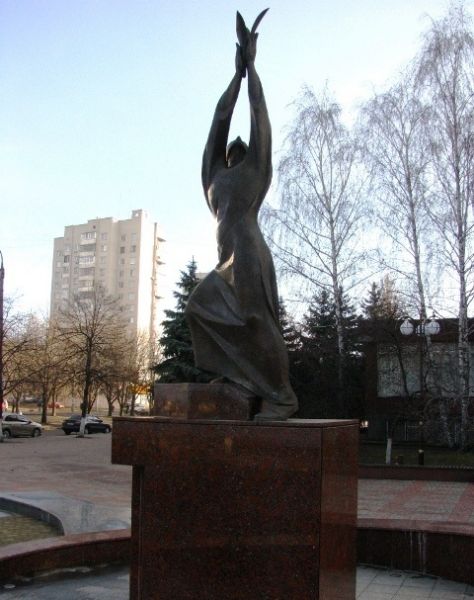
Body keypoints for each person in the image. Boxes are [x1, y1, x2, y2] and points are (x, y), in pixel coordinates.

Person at [185, 12, 298, 421]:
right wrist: (235, 76)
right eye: (230, 149)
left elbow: (259, 115)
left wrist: (252, 69)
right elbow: (219, 120)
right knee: (199, 306)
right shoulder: (213, 177)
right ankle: (237, 373)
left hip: (249, 252)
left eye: (240, 148)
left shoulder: (256, 172)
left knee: (256, 319)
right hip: (226, 259)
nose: (233, 148)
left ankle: (282, 396)